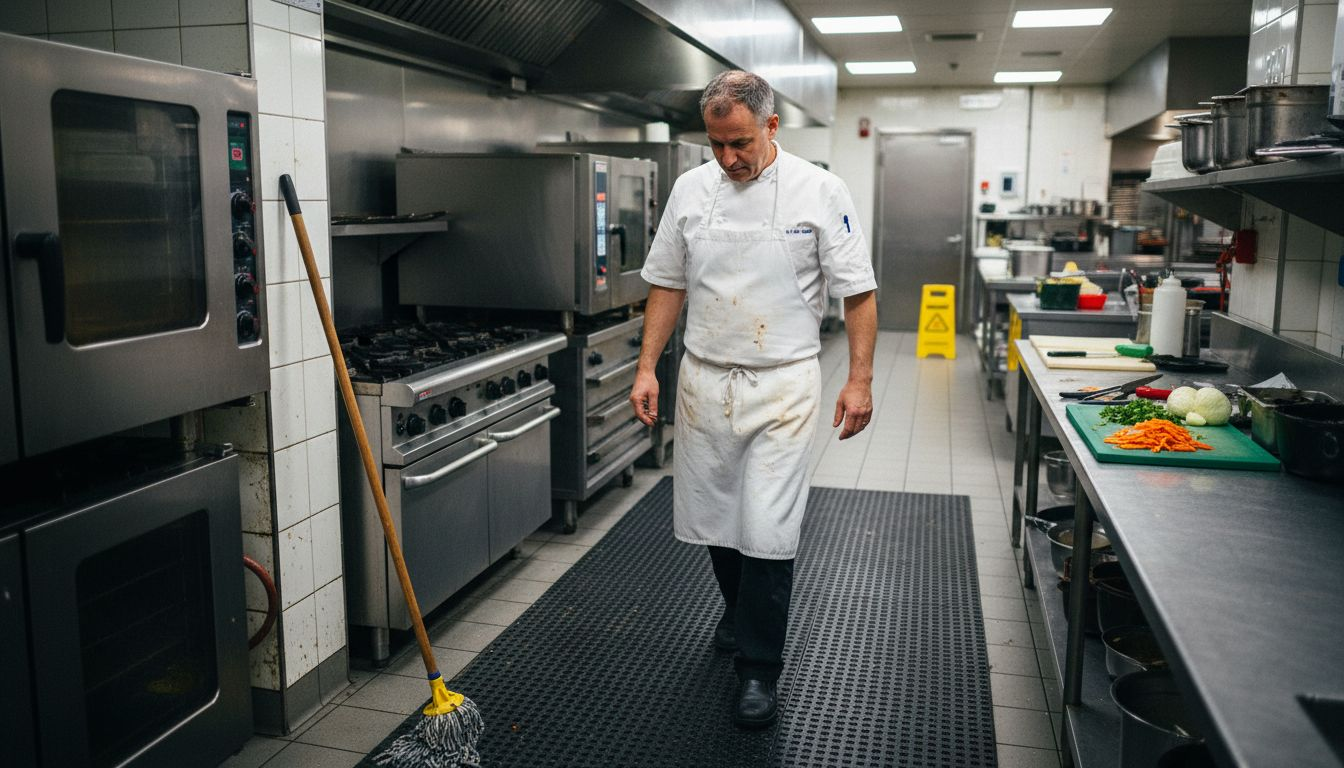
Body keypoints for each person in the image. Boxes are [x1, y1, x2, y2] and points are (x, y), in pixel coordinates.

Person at [629, 70, 878, 729]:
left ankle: (758, 671)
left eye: (739, 142)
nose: (729, 158)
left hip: (784, 381)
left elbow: (858, 290)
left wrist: (860, 378)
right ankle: (740, 617)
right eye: (716, 144)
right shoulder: (690, 189)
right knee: (716, 515)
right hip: (706, 377)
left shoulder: (821, 190)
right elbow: (665, 283)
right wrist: (647, 366)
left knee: (767, 524)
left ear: (771, 127)